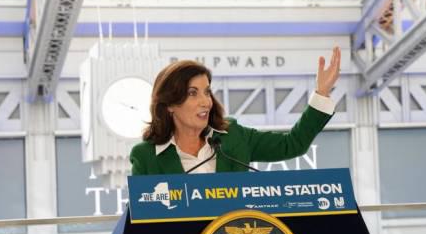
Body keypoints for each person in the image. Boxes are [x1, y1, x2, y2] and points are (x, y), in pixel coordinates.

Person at [129, 47, 341, 175]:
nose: (206, 102)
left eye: (207, 92)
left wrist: (321, 93)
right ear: (169, 105)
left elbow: (291, 145)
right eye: (193, 93)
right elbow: (140, 221)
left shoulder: (234, 136)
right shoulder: (145, 156)